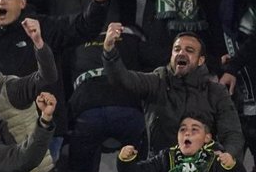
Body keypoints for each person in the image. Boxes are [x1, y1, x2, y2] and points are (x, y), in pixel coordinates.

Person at [101, 24, 245, 161]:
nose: (181, 53)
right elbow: (123, 79)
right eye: (177, 49)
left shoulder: (216, 91)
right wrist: (109, 51)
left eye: (189, 50)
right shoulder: (157, 81)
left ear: (201, 60)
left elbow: (232, 134)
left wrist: (227, 156)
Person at [117, 115, 244, 172]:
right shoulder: (165, 158)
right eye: (182, 129)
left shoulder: (216, 160)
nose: (187, 133)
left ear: (207, 138)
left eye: (194, 129)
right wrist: (125, 161)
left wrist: (232, 166)